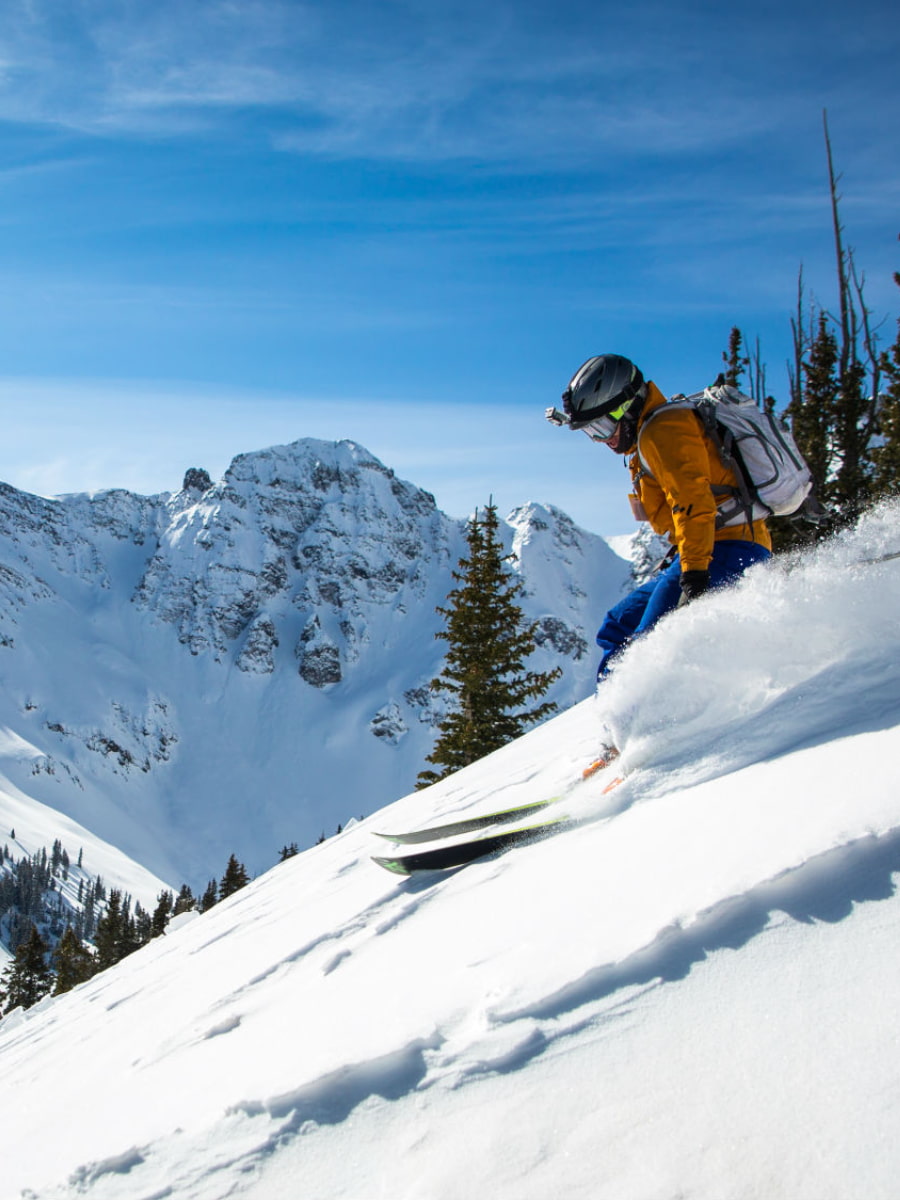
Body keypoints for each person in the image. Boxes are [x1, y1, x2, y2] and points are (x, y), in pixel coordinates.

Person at [548, 353, 772, 679]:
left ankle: (656, 722)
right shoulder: (649, 433)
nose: (603, 439)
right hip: (707, 549)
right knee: (617, 626)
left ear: (629, 406)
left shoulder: (662, 431)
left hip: (726, 549)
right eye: (592, 431)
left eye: (604, 425)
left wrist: (694, 574)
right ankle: (615, 716)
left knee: (647, 646)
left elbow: (692, 502)